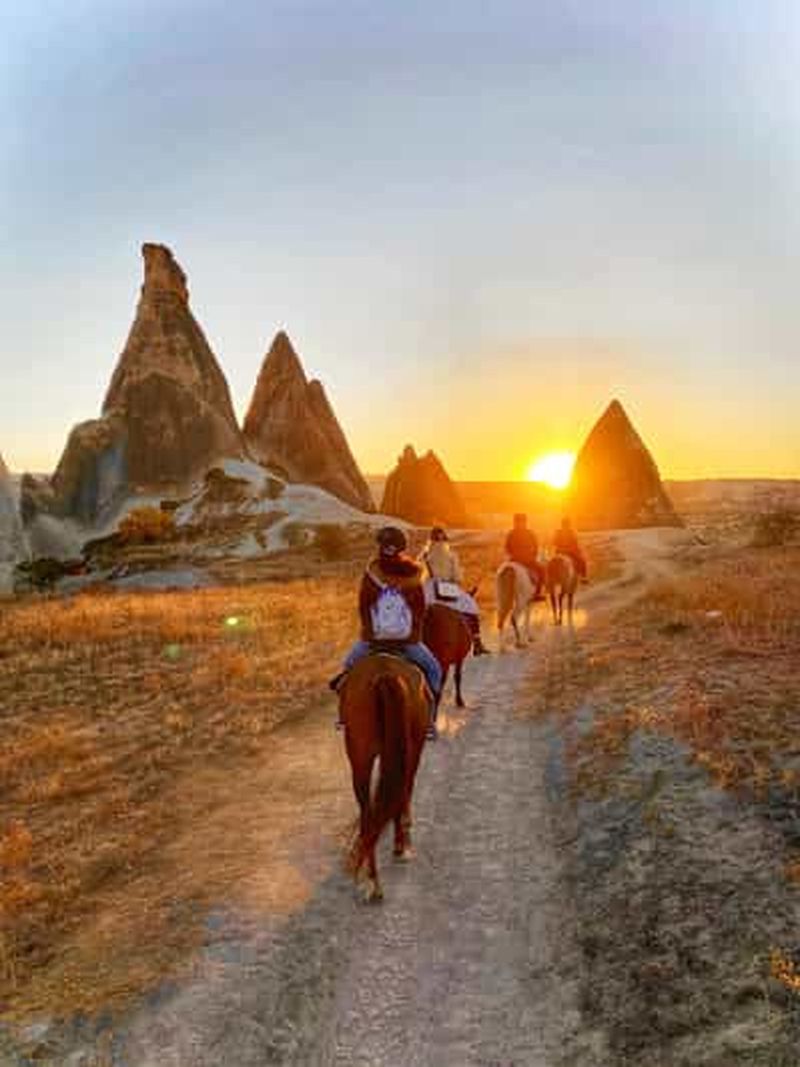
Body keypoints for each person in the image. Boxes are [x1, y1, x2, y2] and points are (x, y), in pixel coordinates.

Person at [331, 526, 443, 737]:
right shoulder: (413, 573)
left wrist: (370, 633)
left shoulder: (371, 573)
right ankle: (429, 722)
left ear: (380, 546)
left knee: (348, 668)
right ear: (402, 548)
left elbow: (363, 606)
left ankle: (344, 718)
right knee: (434, 670)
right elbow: (420, 610)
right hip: (407, 642)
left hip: (372, 641)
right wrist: (412, 634)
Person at [419, 526, 490, 655]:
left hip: (429, 590)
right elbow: (457, 577)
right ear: (445, 540)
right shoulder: (451, 555)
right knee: (471, 607)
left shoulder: (424, 556)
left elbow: (420, 574)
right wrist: (457, 583)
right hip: (446, 588)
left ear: (431, 540)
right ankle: (477, 642)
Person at [504, 513, 545, 599]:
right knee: (541, 570)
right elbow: (535, 547)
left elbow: (507, 547)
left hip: (514, 559)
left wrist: (512, 554)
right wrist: (532, 555)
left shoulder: (511, 533)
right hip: (527, 560)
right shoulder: (529, 533)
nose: (520, 524)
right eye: (519, 522)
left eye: (520, 522)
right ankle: (537, 593)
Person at [553, 516, 588, 582]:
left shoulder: (558, 532)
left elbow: (554, 542)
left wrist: (560, 547)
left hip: (559, 552)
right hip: (569, 552)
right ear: (568, 524)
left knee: (552, 562)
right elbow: (575, 542)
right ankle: (583, 577)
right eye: (566, 524)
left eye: (565, 524)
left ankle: (551, 577)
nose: (565, 526)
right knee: (582, 561)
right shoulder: (571, 532)